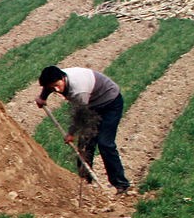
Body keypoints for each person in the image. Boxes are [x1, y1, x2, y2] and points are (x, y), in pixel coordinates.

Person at [35, 65, 132, 195]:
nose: (56, 90)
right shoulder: (56, 80)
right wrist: (43, 97)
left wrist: (71, 133)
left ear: (63, 78)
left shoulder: (78, 90)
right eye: (53, 88)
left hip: (110, 104)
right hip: (92, 105)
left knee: (105, 143)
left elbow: (80, 115)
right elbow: (49, 86)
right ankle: (85, 184)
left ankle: (121, 184)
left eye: (57, 86)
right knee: (85, 145)